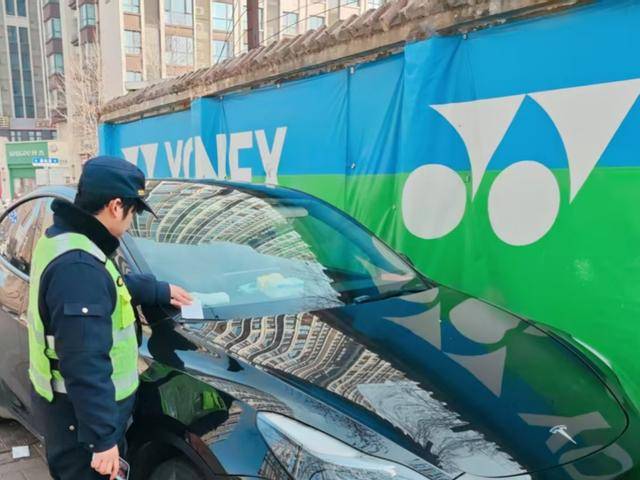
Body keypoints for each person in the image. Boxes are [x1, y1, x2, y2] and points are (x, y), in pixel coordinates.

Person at [27, 156, 193, 480]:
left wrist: (156, 290)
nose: (131, 222)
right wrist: (101, 440)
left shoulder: (69, 242)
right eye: (133, 212)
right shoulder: (78, 267)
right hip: (82, 426)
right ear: (116, 206)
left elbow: (105, 286)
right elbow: (84, 361)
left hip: (72, 412)